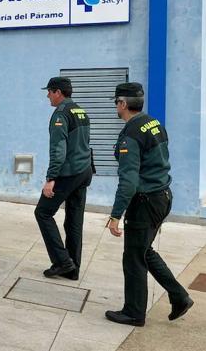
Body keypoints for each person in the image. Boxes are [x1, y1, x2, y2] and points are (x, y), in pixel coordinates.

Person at [104, 82, 193, 326]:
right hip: (162, 195)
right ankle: (179, 296)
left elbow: (129, 181)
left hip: (145, 202)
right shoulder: (154, 124)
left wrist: (115, 215)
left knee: (133, 256)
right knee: (143, 250)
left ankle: (134, 313)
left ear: (122, 104)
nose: (116, 107)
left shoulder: (131, 135)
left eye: (116, 103)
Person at [35, 77, 93, 280]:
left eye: (49, 92)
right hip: (84, 170)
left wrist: (51, 178)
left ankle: (62, 261)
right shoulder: (80, 111)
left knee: (42, 212)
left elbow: (58, 149)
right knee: (74, 221)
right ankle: (73, 269)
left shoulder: (60, 114)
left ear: (58, 92)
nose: (47, 96)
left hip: (69, 172)